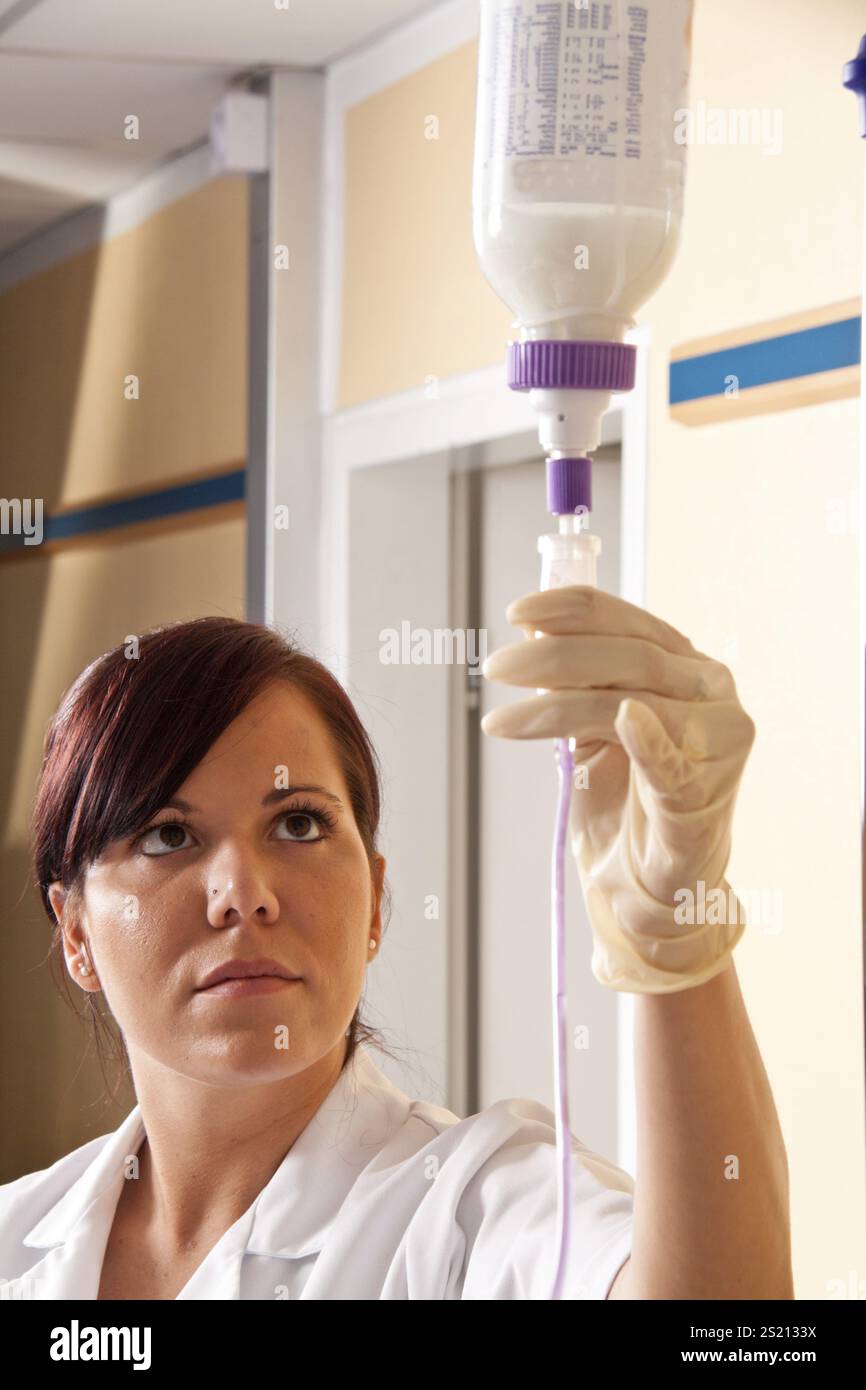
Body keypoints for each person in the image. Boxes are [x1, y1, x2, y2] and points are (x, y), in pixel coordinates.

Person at [0, 595, 793, 1300]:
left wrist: (675, 940)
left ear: (377, 900)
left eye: (299, 823)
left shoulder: (473, 1210)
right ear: (76, 932)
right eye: (169, 835)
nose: (244, 893)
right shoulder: (14, 1240)